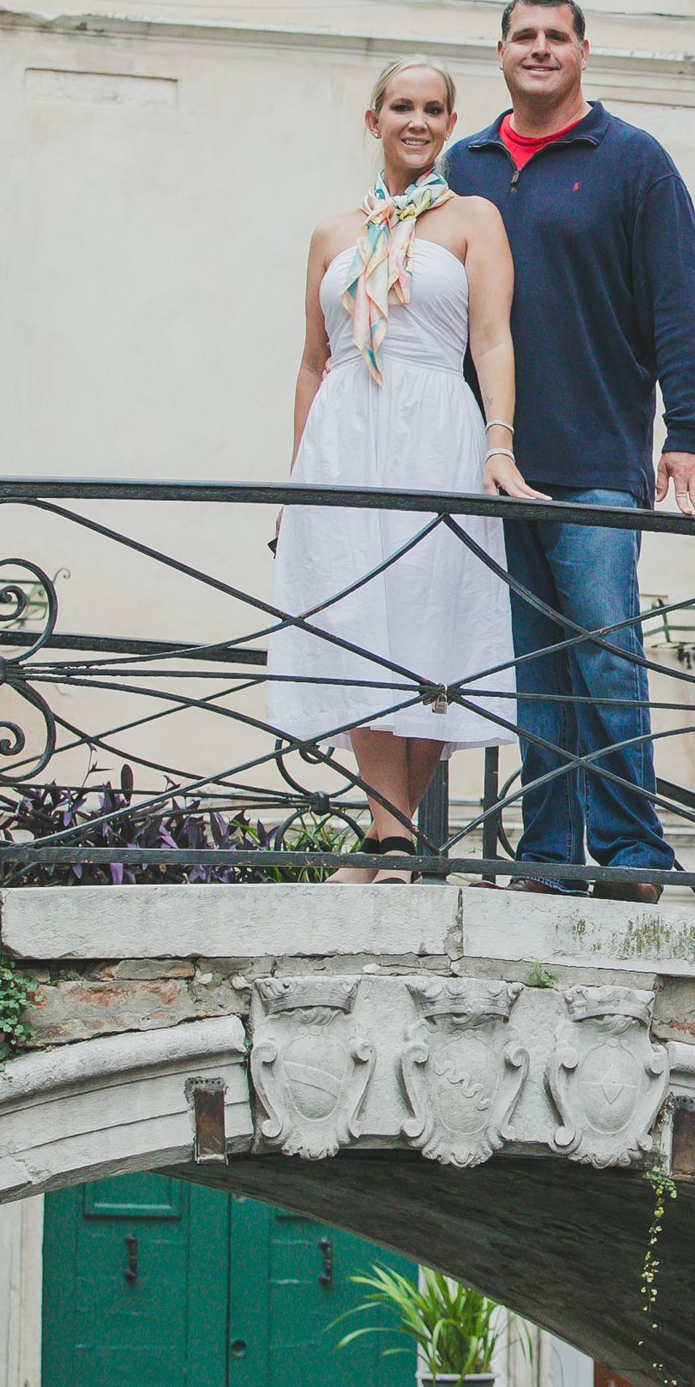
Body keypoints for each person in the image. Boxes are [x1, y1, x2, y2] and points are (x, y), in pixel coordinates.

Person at [444, 0, 695, 900]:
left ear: (584, 53)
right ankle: (550, 858)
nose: (541, 49)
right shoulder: (465, 165)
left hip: (598, 456)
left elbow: (683, 303)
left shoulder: (633, 162)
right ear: (501, 52)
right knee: (536, 664)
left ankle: (634, 856)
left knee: (604, 647)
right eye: (525, 36)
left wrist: (689, 432)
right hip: (496, 460)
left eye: (557, 37)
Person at [267, 59, 545, 878]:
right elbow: (312, 365)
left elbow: (492, 340)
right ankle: (394, 836)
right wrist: (292, 485)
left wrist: (500, 443)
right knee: (356, 624)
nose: (416, 121)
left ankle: (389, 836)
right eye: (401, 107)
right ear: (373, 119)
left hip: (435, 429)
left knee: (429, 628)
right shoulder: (330, 234)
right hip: (344, 435)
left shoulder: (473, 220)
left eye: (432, 109)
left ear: (449, 125)